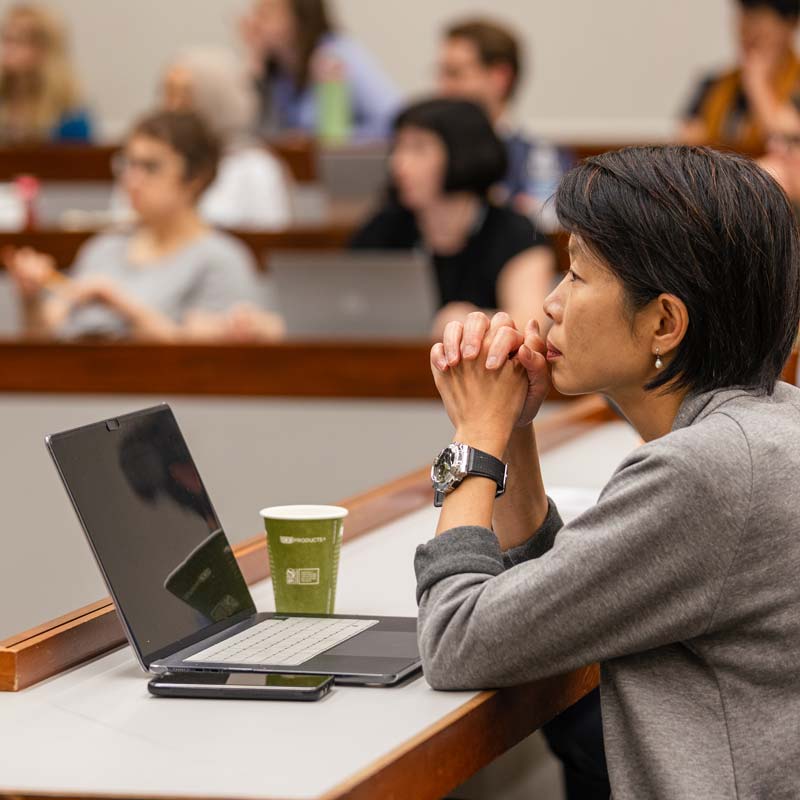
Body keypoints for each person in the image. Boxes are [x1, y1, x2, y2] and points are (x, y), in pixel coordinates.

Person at [416, 146, 800, 797]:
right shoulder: (769, 422)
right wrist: (512, 427)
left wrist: (474, 438)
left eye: (578, 277)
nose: (551, 305)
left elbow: (456, 643)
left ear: (664, 322)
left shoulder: (707, 472)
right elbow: (546, 600)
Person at [3, 110, 279, 341]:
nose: (131, 180)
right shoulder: (103, 248)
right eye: (127, 164)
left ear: (195, 177)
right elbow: (49, 339)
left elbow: (215, 363)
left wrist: (120, 303)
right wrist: (31, 298)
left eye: (150, 167)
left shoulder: (222, 259)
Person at [350, 98, 555, 339]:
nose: (398, 164)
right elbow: (347, 303)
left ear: (461, 152)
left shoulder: (515, 233)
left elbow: (532, 326)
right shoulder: (385, 227)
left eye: (418, 149)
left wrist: (477, 321)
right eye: (398, 148)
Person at [437, 17, 572, 230]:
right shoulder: (429, 153)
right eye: (441, 74)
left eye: (455, 74)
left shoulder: (538, 154)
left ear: (500, 77)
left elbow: (552, 224)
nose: (443, 88)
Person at [160, 46, 293, 230]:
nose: (172, 107)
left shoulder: (255, 168)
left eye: (184, 95)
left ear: (216, 98)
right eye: (168, 93)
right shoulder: (150, 161)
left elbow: (271, 239)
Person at [239, 0, 400, 141]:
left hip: (343, 166)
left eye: (266, 13)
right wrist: (256, 69)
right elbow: (261, 135)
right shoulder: (275, 70)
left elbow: (394, 121)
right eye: (256, 11)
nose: (255, 21)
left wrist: (340, 138)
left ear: (299, 17)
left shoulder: (337, 55)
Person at [679, 0, 800, 151]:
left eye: (758, 17)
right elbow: (687, 141)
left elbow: (787, 140)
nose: (746, 28)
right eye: (743, 14)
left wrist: (757, 84)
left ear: (790, 23)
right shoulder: (715, 84)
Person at [0, 3, 92, 143]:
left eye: (18, 40)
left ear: (44, 49)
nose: (7, 49)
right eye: (5, 39)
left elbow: (76, 162)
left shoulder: (71, 116)